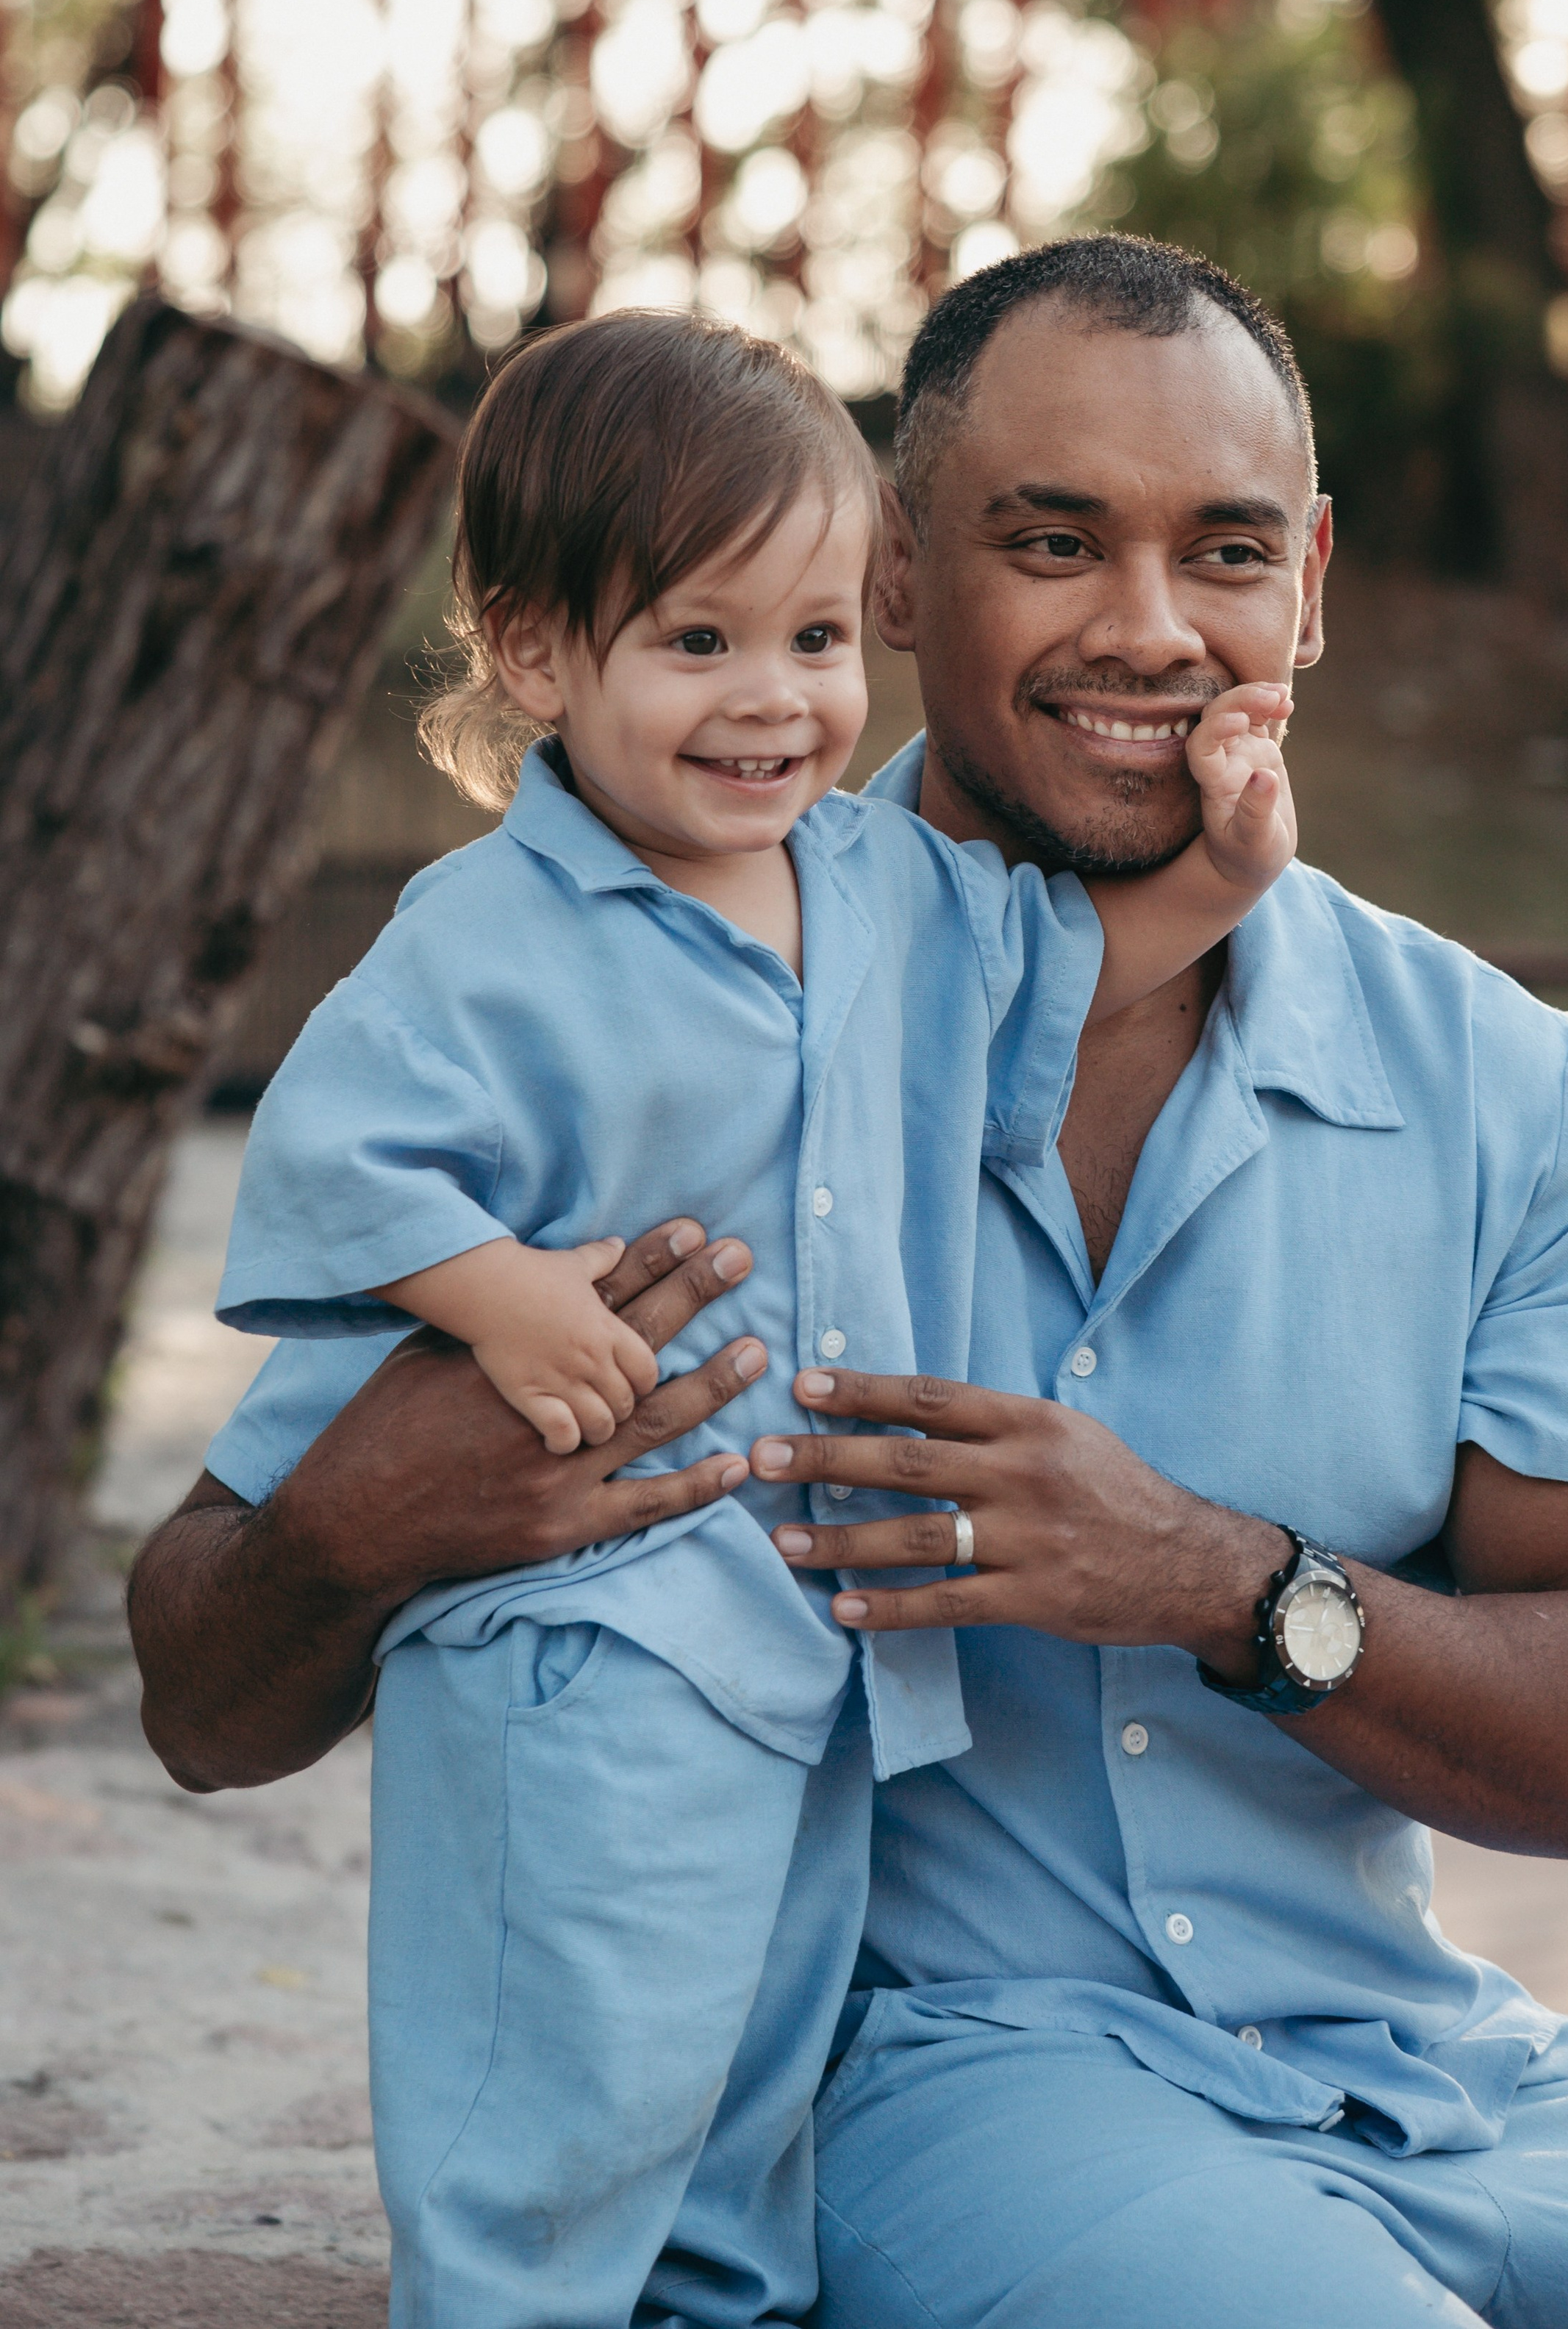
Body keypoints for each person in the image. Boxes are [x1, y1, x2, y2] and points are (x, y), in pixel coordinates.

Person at [129, 237, 1568, 2328]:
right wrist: (367, 1519)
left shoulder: (1523, 1097)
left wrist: (1220, 1583)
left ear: (1310, 581)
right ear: (897, 571)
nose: (1149, 627)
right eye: (1053, 543)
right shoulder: (632, 1023)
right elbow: (204, 1693)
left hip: (1442, 2080)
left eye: (1226, 552)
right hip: (954, 2088)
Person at [201, 306, 1295, 2329]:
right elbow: (335, 1153)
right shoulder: (491, 936)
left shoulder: (881, 884)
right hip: (584, 1641)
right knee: (568, 2083)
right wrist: (500, 1297)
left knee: (746, 2086)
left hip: (809, 1637)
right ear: (537, 653)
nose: (774, 698)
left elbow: (1061, 984)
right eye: (698, 640)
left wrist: (1225, 880)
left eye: (814, 637)